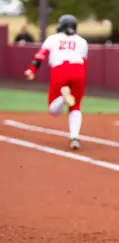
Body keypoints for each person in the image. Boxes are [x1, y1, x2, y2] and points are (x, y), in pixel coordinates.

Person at [24, 14, 88, 150]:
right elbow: (84, 61)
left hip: (60, 71)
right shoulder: (82, 41)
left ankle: (63, 99)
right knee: (75, 107)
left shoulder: (53, 38)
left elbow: (40, 55)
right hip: (79, 72)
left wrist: (32, 70)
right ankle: (74, 137)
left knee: (54, 109)